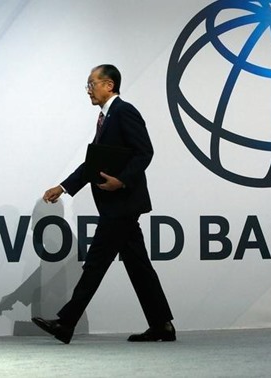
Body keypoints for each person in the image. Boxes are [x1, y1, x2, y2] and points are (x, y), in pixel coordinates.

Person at [32, 64, 175, 344]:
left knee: (96, 263)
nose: (88, 91)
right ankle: (162, 325)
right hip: (119, 207)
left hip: (121, 205)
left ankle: (66, 323)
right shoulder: (105, 118)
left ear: (108, 85)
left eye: (91, 84)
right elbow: (93, 164)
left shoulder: (124, 112)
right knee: (139, 267)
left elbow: (145, 152)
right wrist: (63, 187)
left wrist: (120, 181)